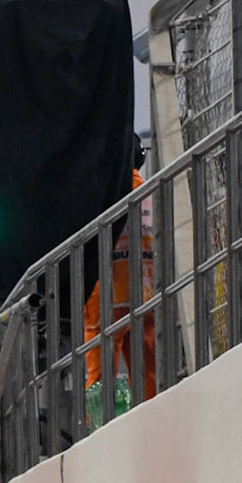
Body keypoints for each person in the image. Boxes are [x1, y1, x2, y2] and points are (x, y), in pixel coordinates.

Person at [84, 169, 157, 400]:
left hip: (107, 294)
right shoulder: (146, 189)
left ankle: (101, 427)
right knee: (148, 371)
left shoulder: (101, 185)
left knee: (100, 373)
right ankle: (152, 424)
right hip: (145, 288)